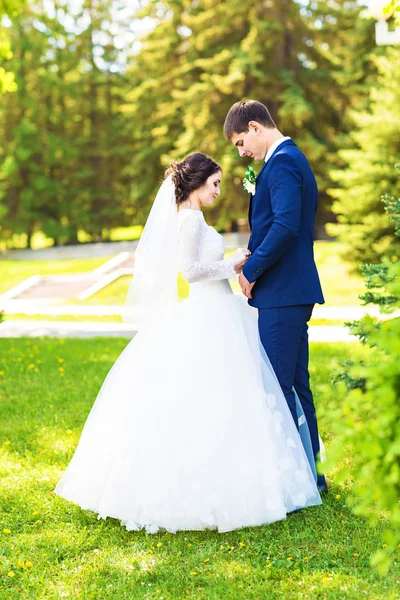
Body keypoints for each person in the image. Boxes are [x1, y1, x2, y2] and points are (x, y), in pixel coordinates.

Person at [53, 152, 321, 534]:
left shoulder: (195, 217)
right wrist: (232, 264)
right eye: (214, 183)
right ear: (196, 183)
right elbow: (191, 272)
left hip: (222, 309)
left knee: (229, 399)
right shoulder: (189, 220)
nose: (218, 191)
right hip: (207, 311)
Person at [223, 100, 327, 492]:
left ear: (254, 127)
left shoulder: (282, 162)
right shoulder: (286, 159)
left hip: (282, 293)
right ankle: (311, 473)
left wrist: (251, 270)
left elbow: (285, 225)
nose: (241, 152)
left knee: (278, 385)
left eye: (239, 142)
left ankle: (293, 481)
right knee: (297, 384)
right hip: (289, 291)